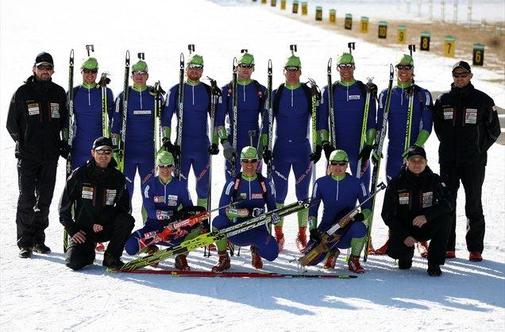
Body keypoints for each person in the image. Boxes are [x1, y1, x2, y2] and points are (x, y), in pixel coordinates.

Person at [433, 61, 501, 261]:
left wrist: (478, 149)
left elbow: (494, 130)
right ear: (452, 77)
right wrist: (448, 145)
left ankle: (475, 248)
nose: (460, 78)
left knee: (473, 204)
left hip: (474, 162)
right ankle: (448, 246)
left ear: (470, 76)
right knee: (447, 203)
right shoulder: (444, 100)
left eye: (464, 74)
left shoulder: (483, 100)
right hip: (449, 161)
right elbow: (439, 128)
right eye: (456, 75)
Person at [6, 52, 68, 258]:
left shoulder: (59, 93)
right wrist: (22, 143)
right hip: (28, 156)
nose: (44, 71)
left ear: (52, 71)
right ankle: (25, 242)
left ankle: (38, 240)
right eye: (41, 67)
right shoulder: (23, 92)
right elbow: (11, 124)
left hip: (50, 155)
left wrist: (63, 144)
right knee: (26, 198)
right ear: (34, 69)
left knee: (44, 199)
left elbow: (65, 123)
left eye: (48, 68)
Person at [373, 54, 433, 255]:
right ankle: (394, 237)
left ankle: (422, 239)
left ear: (412, 71)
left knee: (420, 195)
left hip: (414, 154)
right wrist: (377, 147)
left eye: (407, 68)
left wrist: (415, 148)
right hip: (394, 152)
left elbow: (427, 126)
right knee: (395, 197)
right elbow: (381, 124)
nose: (403, 71)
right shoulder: (386, 94)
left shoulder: (422, 94)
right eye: (400, 68)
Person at [263, 53, 318, 252]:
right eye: (289, 70)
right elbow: (267, 124)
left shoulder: (307, 92)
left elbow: (317, 122)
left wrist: (318, 146)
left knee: (303, 194)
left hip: (303, 149)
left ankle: (302, 234)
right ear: (283, 72)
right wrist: (265, 148)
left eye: (296, 70)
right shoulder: (277, 93)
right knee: (279, 194)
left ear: (300, 72)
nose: (292, 74)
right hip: (281, 149)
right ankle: (279, 234)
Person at [59, 137, 135, 270]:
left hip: (105, 227)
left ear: (111, 154)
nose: (103, 155)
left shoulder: (118, 178)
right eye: (100, 152)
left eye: (107, 152)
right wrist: (73, 230)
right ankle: (88, 252)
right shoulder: (80, 174)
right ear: (92, 152)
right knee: (73, 263)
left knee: (127, 220)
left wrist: (103, 221)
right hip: (84, 230)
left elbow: (124, 207)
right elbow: (63, 207)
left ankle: (112, 256)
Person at [124, 150, 205, 270]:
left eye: (168, 166)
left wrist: (188, 220)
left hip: (174, 229)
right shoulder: (149, 185)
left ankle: (181, 256)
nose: (165, 170)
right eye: (161, 166)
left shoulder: (180, 186)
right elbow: (151, 212)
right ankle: (152, 249)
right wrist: (172, 215)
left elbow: (189, 209)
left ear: (173, 167)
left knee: (196, 229)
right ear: (157, 167)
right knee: (130, 247)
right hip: (153, 228)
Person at [381, 146, 452, 276]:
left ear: (426, 162)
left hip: (425, 225)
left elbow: (448, 203)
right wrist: (404, 235)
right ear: (406, 162)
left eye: (421, 160)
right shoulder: (396, 183)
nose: (417, 164)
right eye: (413, 160)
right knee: (404, 265)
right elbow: (387, 214)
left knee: (445, 218)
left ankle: (434, 263)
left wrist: (427, 216)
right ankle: (406, 255)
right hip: (405, 229)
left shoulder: (435, 180)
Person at [211, 146, 277, 272]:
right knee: (217, 222)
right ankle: (223, 258)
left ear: (257, 162)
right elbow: (222, 211)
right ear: (241, 162)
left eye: (253, 161)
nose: (249, 165)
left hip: (257, 230)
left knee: (272, 254)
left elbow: (273, 210)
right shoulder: (232, 183)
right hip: (237, 231)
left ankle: (256, 249)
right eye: (246, 161)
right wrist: (241, 213)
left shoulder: (266, 184)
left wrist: (275, 217)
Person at [316, 52, 377, 190]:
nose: (346, 70)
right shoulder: (330, 90)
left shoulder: (363, 90)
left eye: (349, 66)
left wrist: (368, 145)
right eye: (342, 66)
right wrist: (325, 144)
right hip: (336, 148)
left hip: (359, 149)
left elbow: (371, 121)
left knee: (363, 190)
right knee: (333, 190)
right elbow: (322, 121)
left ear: (354, 67)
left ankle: (365, 212)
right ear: (337, 68)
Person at [111, 59, 168, 202]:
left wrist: (165, 143)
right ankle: (124, 223)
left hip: (148, 152)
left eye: (143, 73)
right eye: (137, 73)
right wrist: (114, 148)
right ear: (131, 76)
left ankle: (150, 222)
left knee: (149, 191)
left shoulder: (155, 96)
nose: (140, 76)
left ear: (148, 76)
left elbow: (164, 121)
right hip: (128, 152)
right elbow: (115, 125)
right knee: (126, 191)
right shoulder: (123, 96)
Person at [308, 150, 372, 273]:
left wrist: (361, 216)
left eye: (342, 164)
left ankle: (354, 260)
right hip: (326, 229)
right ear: (329, 165)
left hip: (346, 228)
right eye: (334, 163)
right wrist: (312, 229)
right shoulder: (321, 183)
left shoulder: (357, 183)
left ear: (347, 165)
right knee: (310, 260)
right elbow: (313, 209)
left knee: (360, 228)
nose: (338, 167)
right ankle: (332, 252)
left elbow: (368, 208)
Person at [164, 53, 216, 208]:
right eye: (192, 67)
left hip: (201, 146)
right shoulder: (175, 91)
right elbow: (166, 118)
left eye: (198, 68)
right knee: (180, 187)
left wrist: (215, 141)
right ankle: (182, 221)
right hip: (182, 146)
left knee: (203, 187)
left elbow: (216, 120)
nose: (195, 71)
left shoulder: (208, 91)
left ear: (202, 70)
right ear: (186, 69)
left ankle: (203, 222)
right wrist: (166, 140)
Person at [216, 51, 267, 181]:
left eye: (249, 66)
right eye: (243, 65)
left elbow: (266, 120)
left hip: (253, 140)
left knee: (254, 181)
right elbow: (219, 120)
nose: (246, 69)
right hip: (233, 142)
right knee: (231, 182)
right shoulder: (226, 90)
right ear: (236, 67)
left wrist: (263, 143)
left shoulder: (260, 89)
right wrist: (225, 142)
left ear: (253, 68)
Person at [70, 56, 114, 170]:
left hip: (100, 150)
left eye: (93, 71)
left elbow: (114, 119)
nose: (90, 74)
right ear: (81, 71)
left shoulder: (105, 92)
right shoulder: (73, 92)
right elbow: (66, 120)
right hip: (78, 148)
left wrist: (114, 143)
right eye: (86, 71)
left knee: (100, 185)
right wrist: (65, 143)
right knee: (77, 185)